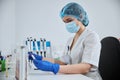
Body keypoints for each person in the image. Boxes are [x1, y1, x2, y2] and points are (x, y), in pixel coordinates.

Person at [29, 2, 102, 80]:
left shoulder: (91, 37)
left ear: (80, 17)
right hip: (74, 77)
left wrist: (55, 68)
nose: (67, 24)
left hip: (88, 78)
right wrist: (41, 58)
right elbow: (63, 61)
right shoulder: (70, 40)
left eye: (69, 20)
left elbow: (86, 67)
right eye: (65, 22)